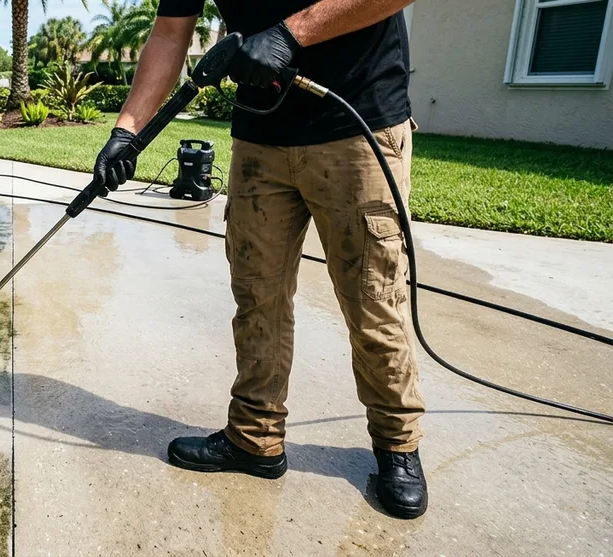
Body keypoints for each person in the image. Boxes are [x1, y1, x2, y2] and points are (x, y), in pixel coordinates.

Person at [91, 0, 428, 519]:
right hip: (260, 133)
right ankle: (255, 437)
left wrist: (290, 34)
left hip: (356, 123)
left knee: (372, 298)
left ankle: (397, 445)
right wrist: (128, 130)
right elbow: (169, 32)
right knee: (257, 295)